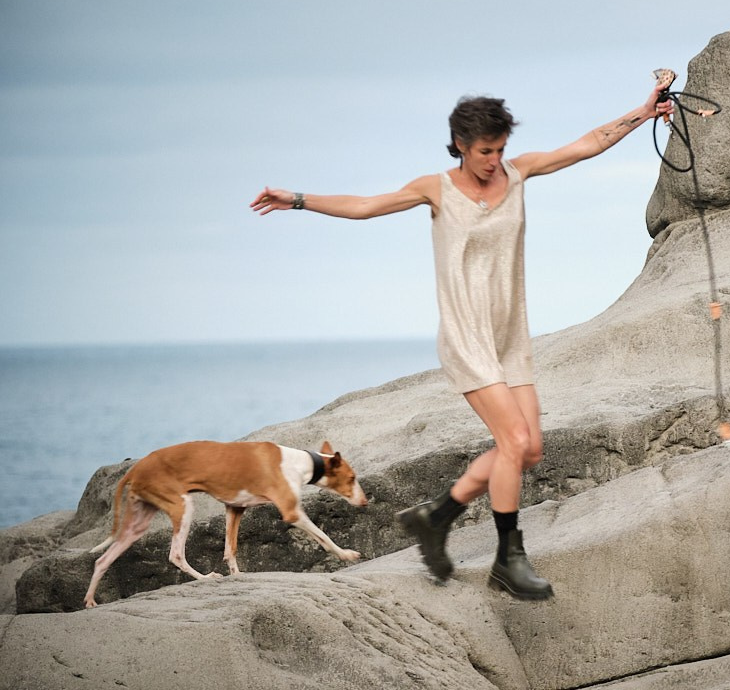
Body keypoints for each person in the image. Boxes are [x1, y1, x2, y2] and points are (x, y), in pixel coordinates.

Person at [251, 74, 674, 600]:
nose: (494, 161)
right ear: (460, 145)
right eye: (483, 151)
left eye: (500, 149)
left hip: (509, 334)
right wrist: (295, 199)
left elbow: (587, 143)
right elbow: (365, 206)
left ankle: (437, 516)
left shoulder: (518, 174)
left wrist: (643, 111)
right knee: (513, 441)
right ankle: (508, 560)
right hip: (467, 336)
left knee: (529, 450)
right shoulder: (437, 189)